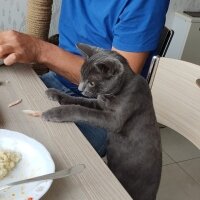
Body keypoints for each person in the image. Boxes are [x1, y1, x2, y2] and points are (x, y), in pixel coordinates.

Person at [0, 0, 170, 157]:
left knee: (24, 156)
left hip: (107, 109)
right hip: (58, 81)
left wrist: (39, 50)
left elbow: (117, 82)